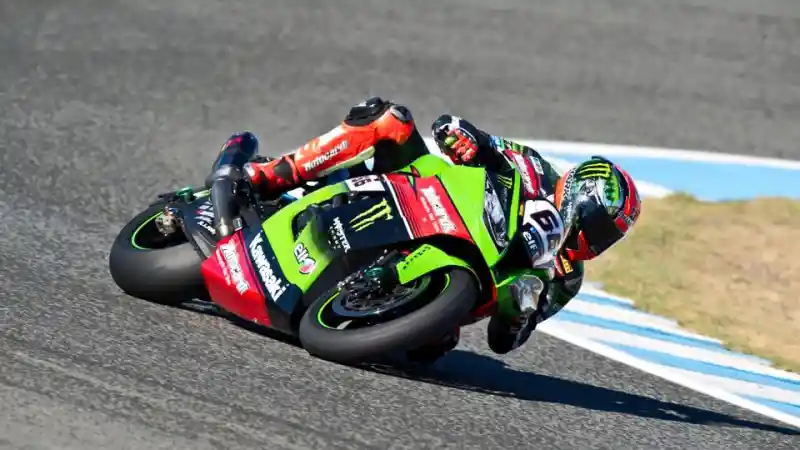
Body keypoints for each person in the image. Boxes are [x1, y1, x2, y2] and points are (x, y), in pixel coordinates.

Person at [209, 96, 641, 360]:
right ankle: (266, 177)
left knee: (431, 350)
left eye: (609, 238)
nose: (598, 242)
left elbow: (504, 342)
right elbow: (477, 141)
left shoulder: (565, 279)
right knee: (389, 119)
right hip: (428, 198)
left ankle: (379, 299)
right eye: (600, 228)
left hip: (451, 282)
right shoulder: (533, 167)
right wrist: (462, 136)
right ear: (580, 197)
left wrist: (520, 312)